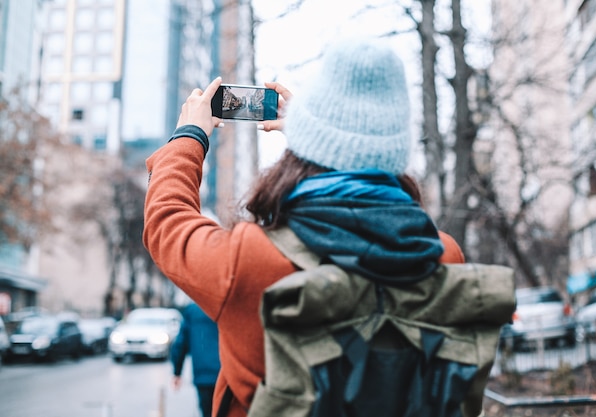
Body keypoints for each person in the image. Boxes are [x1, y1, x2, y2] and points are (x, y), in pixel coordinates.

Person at [143, 37, 465, 417]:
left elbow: (168, 222)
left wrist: (188, 137)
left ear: (306, 150)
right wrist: (313, 132)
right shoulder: (443, 256)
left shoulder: (251, 260)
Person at [170, 302, 220, 417]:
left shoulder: (193, 311)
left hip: (204, 375)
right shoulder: (226, 305)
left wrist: (177, 372)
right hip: (227, 373)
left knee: (208, 412)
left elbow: (180, 344)